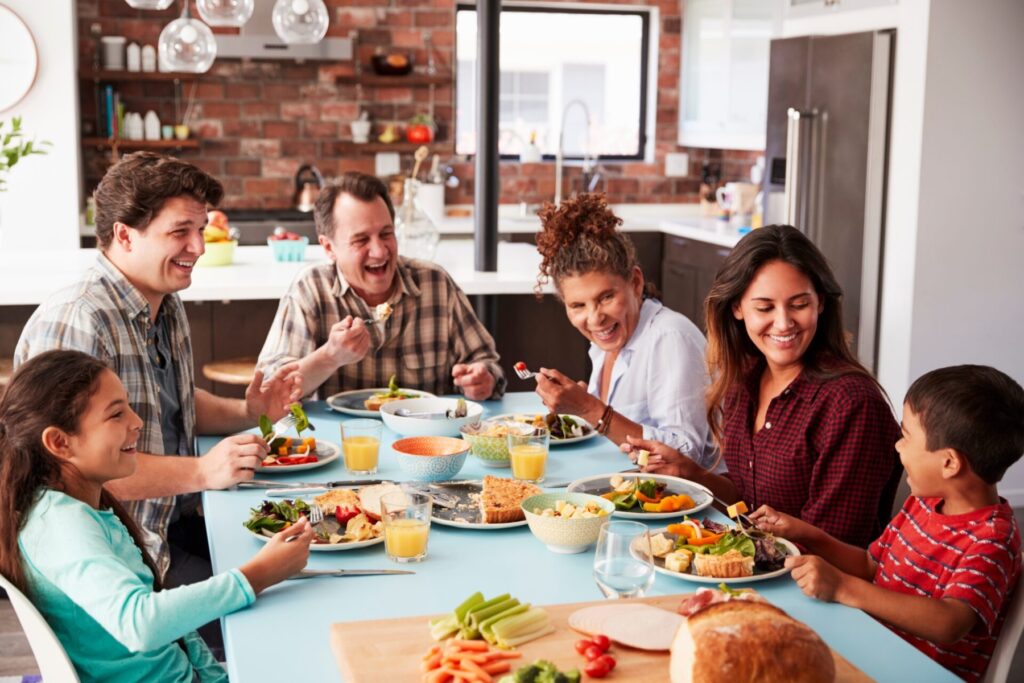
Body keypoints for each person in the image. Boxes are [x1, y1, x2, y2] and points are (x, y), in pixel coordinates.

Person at [14, 152, 302, 587]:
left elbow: (175, 406)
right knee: (282, 599)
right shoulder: (81, 320)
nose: (200, 247)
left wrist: (248, 410)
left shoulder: (164, 302)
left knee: (312, 551)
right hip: (127, 557)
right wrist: (203, 471)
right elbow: (77, 470)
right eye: (180, 232)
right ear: (125, 236)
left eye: (202, 230)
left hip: (178, 518)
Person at [0, 350, 314, 683]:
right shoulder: (62, 525)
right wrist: (257, 575)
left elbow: (171, 637)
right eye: (116, 414)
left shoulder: (69, 507)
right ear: (59, 442)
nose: (136, 422)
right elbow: (141, 625)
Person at [627, 225, 902, 547]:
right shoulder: (745, 379)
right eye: (765, 308)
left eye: (799, 304)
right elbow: (750, 499)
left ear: (821, 304)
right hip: (757, 565)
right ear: (737, 308)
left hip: (810, 587)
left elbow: (834, 544)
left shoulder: (851, 403)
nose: (784, 323)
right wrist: (692, 473)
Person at [750, 365, 1024, 683]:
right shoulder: (922, 503)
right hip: (870, 645)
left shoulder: (992, 539)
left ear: (949, 462)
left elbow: (950, 622)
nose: (897, 445)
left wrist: (844, 588)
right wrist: (806, 533)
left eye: (906, 436)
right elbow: (871, 565)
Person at [257, 171, 505, 401]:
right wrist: (329, 357)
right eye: (361, 239)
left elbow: (486, 363)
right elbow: (271, 389)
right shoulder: (310, 290)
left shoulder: (435, 284)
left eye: (386, 234)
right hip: (339, 443)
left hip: (427, 443)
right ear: (329, 247)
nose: (379, 251)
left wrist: (483, 380)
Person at [529, 194, 717, 468]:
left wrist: (590, 409)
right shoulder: (607, 343)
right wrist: (579, 405)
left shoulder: (670, 337)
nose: (595, 319)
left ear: (636, 283)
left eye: (606, 298)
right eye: (578, 305)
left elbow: (686, 456)